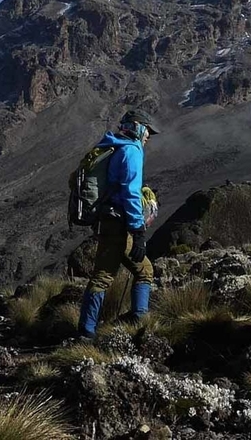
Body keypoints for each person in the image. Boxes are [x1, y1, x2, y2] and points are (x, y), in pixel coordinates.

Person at [77, 109, 159, 340]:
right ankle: (139, 321)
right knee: (144, 271)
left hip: (107, 219)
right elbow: (131, 193)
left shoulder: (113, 146)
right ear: (137, 127)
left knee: (103, 275)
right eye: (147, 130)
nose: (148, 136)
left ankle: (86, 330)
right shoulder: (131, 151)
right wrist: (138, 230)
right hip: (120, 223)